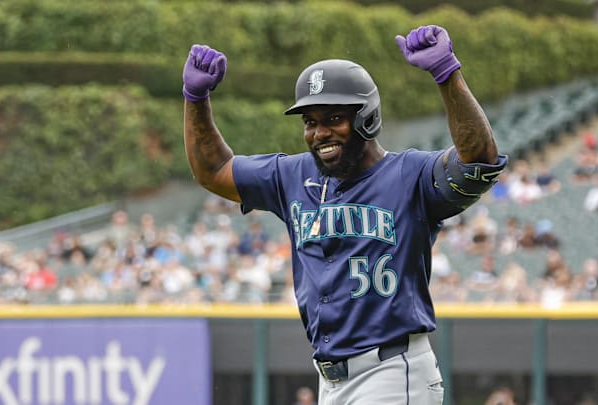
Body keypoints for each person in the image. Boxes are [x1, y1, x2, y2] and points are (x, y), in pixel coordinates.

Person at [181, 24, 506, 404]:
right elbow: (213, 170)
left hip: (391, 370)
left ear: (366, 117)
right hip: (330, 380)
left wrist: (447, 74)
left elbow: (478, 161)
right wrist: (195, 97)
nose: (319, 132)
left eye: (333, 118)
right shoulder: (292, 176)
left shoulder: (408, 175)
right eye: (310, 122)